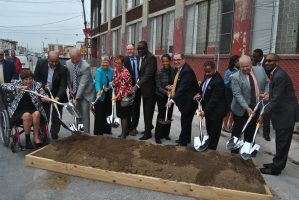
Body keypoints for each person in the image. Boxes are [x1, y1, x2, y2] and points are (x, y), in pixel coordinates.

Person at [259, 53, 298, 175]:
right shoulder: (275, 73)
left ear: (277, 62)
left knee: (282, 142)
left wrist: (263, 113)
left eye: (270, 61)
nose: (267, 63)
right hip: (283, 112)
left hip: (286, 114)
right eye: (266, 61)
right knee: (281, 141)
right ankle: (277, 163)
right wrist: (268, 95)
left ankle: (276, 168)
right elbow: (277, 94)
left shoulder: (279, 76)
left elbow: (276, 100)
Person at [230, 55, 269, 153]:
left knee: (251, 130)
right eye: (242, 67)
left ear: (251, 63)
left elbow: (268, 82)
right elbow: (237, 95)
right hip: (241, 108)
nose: (245, 68)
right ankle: (234, 152)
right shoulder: (235, 77)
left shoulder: (260, 70)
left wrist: (266, 93)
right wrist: (246, 107)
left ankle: (247, 150)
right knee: (237, 131)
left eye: (247, 66)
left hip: (256, 107)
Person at [0, 70, 48, 149]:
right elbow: (3, 86)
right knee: (27, 115)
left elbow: (43, 95)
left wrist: (45, 98)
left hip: (33, 108)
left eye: (30, 79)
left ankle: (36, 137)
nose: (28, 81)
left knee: (37, 113)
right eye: (26, 79)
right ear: (22, 80)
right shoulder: (17, 83)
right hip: (19, 110)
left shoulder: (37, 85)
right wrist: (20, 87)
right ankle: (28, 140)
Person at [166, 53, 199, 146]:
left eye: (178, 59)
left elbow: (183, 88)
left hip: (189, 102)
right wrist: (173, 87)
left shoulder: (187, 71)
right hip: (185, 101)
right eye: (174, 60)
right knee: (186, 122)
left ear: (184, 59)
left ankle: (182, 142)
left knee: (185, 122)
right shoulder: (180, 69)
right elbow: (180, 84)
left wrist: (172, 100)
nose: (176, 62)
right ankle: (186, 139)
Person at [34, 51, 68, 140]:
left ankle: (54, 132)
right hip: (44, 92)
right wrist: (42, 85)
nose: (54, 63)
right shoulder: (40, 63)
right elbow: (36, 79)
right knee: (44, 113)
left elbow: (63, 86)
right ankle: (43, 132)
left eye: (56, 61)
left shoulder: (63, 69)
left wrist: (56, 98)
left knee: (56, 114)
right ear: (48, 59)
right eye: (52, 61)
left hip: (58, 94)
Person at [194, 61, 227, 150]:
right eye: (205, 71)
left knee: (214, 132)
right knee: (209, 129)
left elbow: (214, 100)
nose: (207, 73)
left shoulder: (218, 81)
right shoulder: (207, 76)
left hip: (216, 111)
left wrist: (204, 111)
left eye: (209, 71)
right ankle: (209, 145)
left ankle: (212, 149)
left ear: (214, 69)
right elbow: (203, 89)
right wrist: (200, 94)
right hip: (209, 110)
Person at [66, 48, 95, 133]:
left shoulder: (85, 66)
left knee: (85, 113)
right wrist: (70, 88)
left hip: (86, 93)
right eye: (72, 59)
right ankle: (78, 132)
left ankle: (86, 134)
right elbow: (68, 78)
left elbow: (82, 85)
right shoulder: (68, 63)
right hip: (74, 92)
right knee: (76, 113)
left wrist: (77, 98)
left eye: (76, 58)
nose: (74, 61)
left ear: (80, 56)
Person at [133, 41, 157, 140]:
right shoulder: (141, 58)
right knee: (145, 111)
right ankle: (148, 127)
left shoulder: (151, 58)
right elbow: (141, 74)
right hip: (143, 89)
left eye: (142, 48)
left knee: (148, 111)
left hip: (150, 90)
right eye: (138, 48)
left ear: (146, 48)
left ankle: (148, 133)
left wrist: (137, 85)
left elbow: (148, 74)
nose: (140, 50)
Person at [154, 54, 176, 144]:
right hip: (161, 96)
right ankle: (158, 136)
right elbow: (158, 87)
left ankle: (166, 134)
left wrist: (172, 88)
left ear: (170, 61)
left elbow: (175, 83)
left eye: (167, 61)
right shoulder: (159, 72)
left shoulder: (174, 71)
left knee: (169, 115)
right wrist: (166, 92)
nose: (165, 63)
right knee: (162, 115)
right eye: (163, 61)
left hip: (171, 96)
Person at [252, 48, 271, 141]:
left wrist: (267, 92)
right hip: (255, 94)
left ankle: (266, 134)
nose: (253, 58)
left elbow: (269, 80)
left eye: (255, 57)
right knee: (255, 112)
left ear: (260, 56)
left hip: (264, 93)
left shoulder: (267, 63)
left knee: (265, 113)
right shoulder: (254, 63)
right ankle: (255, 128)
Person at [112, 55, 133, 139]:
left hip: (125, 97)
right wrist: (113, 83)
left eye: (119, 63)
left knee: (124, 116)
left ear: (122, 63)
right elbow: (115, 81)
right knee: (121, 115)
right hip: (118, 96)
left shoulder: (125, 73)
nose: (117, 64)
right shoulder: (115, 70)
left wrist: (116, 97)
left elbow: (123, 87)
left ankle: (124, 134)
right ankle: (124, 132)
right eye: (116, 63)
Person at [124, 44, 141, 136]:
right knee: (128, 108)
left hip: (138, 88)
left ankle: (134, 127)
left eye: (131, 49)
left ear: (134, 50)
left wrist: (137, 85)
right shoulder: (125, 60)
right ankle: (128, 127)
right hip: (128, 88)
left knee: (136, 109)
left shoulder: (140, 59)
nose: (129, 51)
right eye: (128, 49)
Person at [94, 56, 113, 135]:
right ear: (101, 63)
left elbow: (113, 81)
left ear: (109, 63)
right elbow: (97, 82)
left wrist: (109, 87)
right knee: (99, 113)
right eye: (103, 63)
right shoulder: (98, 71)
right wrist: (99, 90)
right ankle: (98, 131)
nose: (105, 65)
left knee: (108, 112)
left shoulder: (112, 70)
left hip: (109, 95)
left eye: (106, 63)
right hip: (101, 95)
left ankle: (107, 129)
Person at [223, 55, 240, 132]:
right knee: (228, 110)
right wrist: (229, 80)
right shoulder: (229, 71)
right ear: (233, 62)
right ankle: (225, 126)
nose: (238, 62)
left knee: (234, 110)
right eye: (237, 61)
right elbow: (225, 83)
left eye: (239, 60)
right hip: (229, 92)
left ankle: (230, 125)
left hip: (237, 92)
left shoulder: (240, 70)